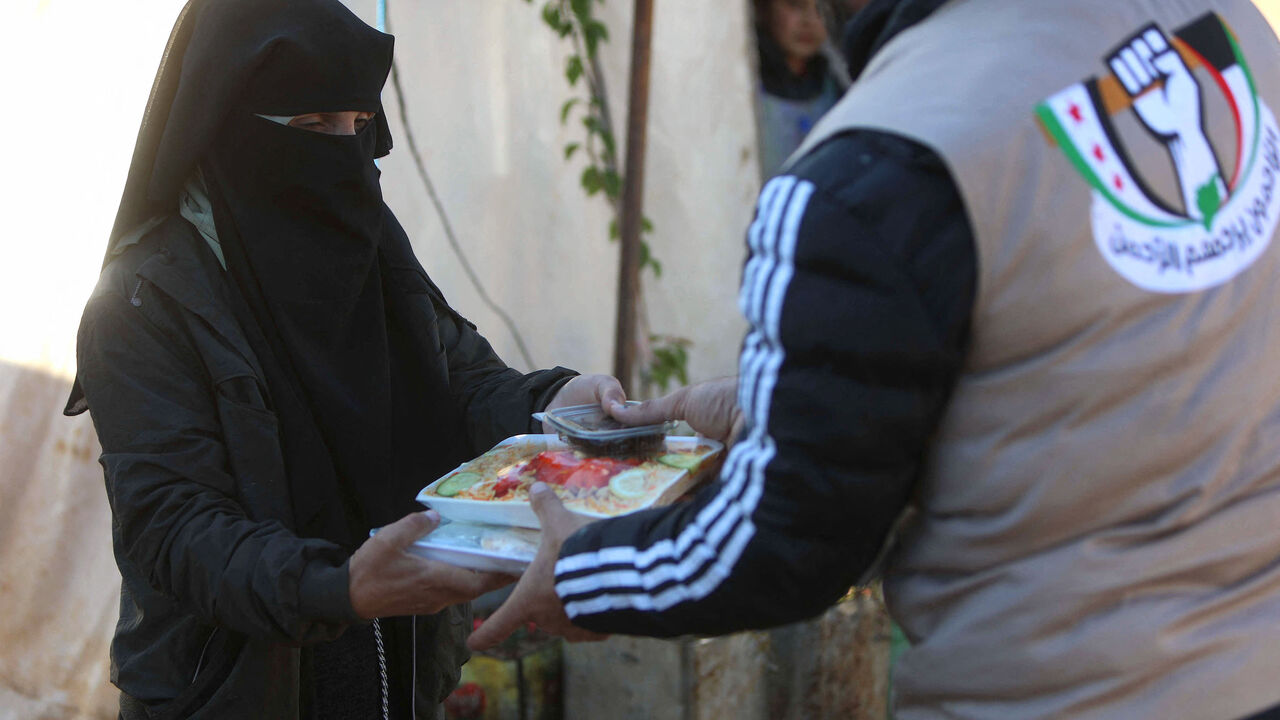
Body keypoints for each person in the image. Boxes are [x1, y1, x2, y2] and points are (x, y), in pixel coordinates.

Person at [471, 0, 1280, 718]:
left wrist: (583, 570)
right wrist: (776, 404)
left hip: (1063, 689)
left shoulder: (882, 161)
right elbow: (1094, 346)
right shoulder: (1223, 29)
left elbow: (788, 540)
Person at [64, 0, 623, 717]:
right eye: (311, 127)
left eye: (359, 125)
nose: (344, 152)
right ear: (226, 123)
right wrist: (339, 587)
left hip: (401, 667)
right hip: (233, 690)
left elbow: (457, 379)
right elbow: (173, 527)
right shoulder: (145, 302)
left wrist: (557, 406)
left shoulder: (365, 241)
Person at [753, 0, 848, 177]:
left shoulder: (837, 85)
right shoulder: (742, 86)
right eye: (795, 4)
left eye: (821, 8)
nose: (808, 21)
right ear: (764, 9)